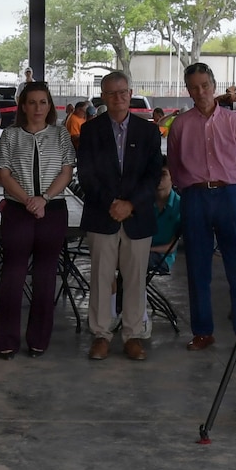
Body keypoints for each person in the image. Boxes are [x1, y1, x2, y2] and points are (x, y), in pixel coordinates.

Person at [166, 61, 236, 354]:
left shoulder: (235, 122)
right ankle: (203, 332)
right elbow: (175, 165)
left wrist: (233, 189)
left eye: (205, 85)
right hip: (195, 197)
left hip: (229, 194)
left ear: (214, 87)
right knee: (197, 267)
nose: (200, 91)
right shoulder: (180, 124)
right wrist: (189, 190)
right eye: (194, 87)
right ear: (188, 90)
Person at [79, 70, 164, 362]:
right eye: (111, 93)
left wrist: (130, 204)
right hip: (102, 215)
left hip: (137, 217)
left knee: (135, 279)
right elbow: (87, 175)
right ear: (103, 97)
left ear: (130, 93)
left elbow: (154, 176)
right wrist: (112, 203)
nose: (118, 98)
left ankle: (133, 335)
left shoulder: (149, 132)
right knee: (101, 279)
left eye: (122, 92)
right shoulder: (90, 131)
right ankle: (101, 335)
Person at [0, 81, 76, 359]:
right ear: (23, 106)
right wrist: (29, 200)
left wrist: (44, 199)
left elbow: (66, 171)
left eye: (43, 102)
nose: (37, 108)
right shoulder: (10, 136)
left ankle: (39, 339)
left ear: (49, 105)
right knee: (13, 276)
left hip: (52, 211)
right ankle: (6, 340)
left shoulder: (61, 135)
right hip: (18, 211)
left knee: (45, 276)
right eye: (32, 102)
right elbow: (3, 173)